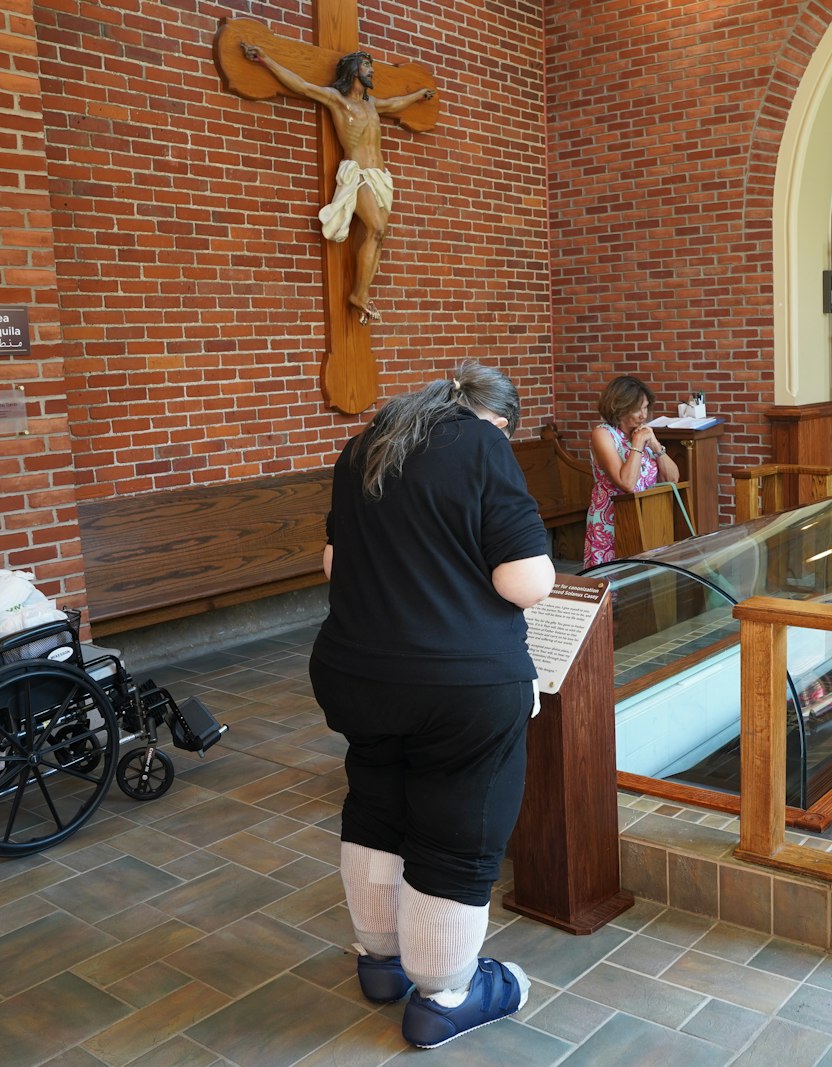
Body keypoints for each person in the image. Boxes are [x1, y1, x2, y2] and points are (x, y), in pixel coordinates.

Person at [310, 360, 555, 1049]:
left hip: (354, 672)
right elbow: (527, 581)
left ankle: (380, 962)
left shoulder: (365, 445)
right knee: (457, 826)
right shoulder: (481, 446)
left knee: (377, 802)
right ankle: (446, 993)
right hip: (457, 684)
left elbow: (334, 564)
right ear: (495, 419)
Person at [242, 44, 436, 324]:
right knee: (376, 227)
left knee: (379, 236)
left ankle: (362, 293)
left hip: (380, 177)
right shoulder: (337, 99)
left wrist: (418, 96)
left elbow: (394, 104)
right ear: (354, 70)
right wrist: (265, 59)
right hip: (358, 174)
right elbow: (302, 85)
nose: (371, 71)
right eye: (366, 66)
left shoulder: (371, 104)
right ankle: (358, 295)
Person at [584, 375, 681, 566]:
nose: (643, 415)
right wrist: (637, 445)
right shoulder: (603, 434)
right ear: (620, 407)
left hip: (648, 518)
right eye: (637, 409)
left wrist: (655, 445)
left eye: (645, 407)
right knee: (613, 582)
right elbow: (627, 483)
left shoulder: (643, 435)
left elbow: (673, 478)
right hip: (612, 521)